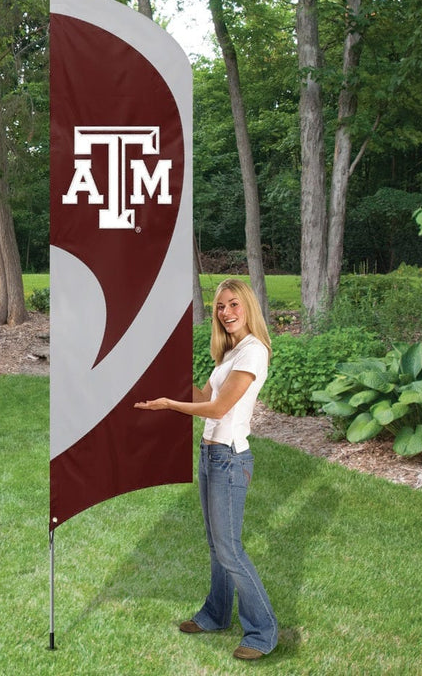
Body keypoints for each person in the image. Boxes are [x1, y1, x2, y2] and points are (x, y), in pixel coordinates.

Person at [134, 278, 278, 661]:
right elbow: (205, 397)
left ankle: (263, 631)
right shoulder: (230, 353)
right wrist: (170, 374)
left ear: (247, 306)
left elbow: (218, 411)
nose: (226, 312)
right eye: (219, 307)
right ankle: (215, 615)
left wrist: (169, 404)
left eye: (233, 304)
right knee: (216, 547)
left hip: (230, 457)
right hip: (211, 455)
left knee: (230, 549)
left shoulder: (253, 351)